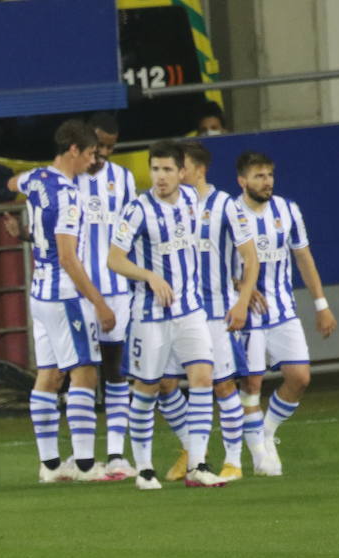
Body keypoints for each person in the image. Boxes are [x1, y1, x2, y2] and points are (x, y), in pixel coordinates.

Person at [107, 141, 226, 489]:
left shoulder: (191, 199)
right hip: (150, 315)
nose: (159, 176)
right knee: (147, 388)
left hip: (190, 310)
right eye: (155, 169)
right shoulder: (137, 210)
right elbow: (114, 259)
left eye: (167, 170)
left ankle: (198, 464)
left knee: (202, 379)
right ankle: (144, 469)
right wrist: (149, 276)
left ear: (181, 172)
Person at [8, 119, 117, 482]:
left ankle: (51, 466)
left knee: (48, 375)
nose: (92, 161)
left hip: (39, 293)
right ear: (73, 150)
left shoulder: (37, 178)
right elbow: (69, 258)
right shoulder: (69, 195)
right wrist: (100, 303)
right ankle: (85, 465)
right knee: (84, 373)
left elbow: (12, 183)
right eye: (90, 153)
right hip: (64, 294)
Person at [233, 151, 337, 476]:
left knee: (300, 377)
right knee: (251, 383)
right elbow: (213, 265)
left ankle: (266, 432)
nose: (267, 182)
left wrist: (322, 305)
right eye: (259, 176)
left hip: (283, 310)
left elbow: (304, 258)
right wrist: (240, 286)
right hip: (247, 314)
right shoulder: (230, 214)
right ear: (242, 181)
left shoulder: (287, 209)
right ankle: (259, 456)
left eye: (270, 175)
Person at [179, 140, 260, 479]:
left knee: (223, 385)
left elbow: (250, 257)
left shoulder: (225, 205)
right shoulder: (173, 206)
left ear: (199, 170)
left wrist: (241, 301)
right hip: (182, 312)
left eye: (182, 167)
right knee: (164, 383)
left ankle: (233, 460)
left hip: (216, 312)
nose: (177, 173)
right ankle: (192, 451)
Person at [78, 113, 139, 479]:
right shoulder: (68, 178)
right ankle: (82, 460)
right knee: (82, 373)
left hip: (117, 290)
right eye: (99, 144)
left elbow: (133, 232)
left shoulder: (124, 179)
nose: (103, 152)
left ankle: (116, 454)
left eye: (110, 147)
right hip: (77, 291)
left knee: (116, 371)